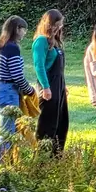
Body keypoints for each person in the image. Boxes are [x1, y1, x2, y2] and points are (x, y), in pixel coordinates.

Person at [0, 16, 32, 165]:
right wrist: (29, 90)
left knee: (9, 129)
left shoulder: (2, 45)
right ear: (17, 29)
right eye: (23, 29)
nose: (24, 33)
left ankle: (8, 163)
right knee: (8, 132)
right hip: (8, 91)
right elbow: (17, 75)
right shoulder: (12, 48)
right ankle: (1, 165)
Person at [30, 9, 70, 153]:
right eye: (56, 25)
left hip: (58, 86)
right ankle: (42, 158)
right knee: (48, 124)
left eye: (60, 25)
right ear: (49, 24)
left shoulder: (57, 42)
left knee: (61, 123)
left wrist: (63, 86)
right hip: (48, 87)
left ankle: (56, 157)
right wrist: (46, 88)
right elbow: (39, 66)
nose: (59, 28)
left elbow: (59, 69)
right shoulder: (41, 41)